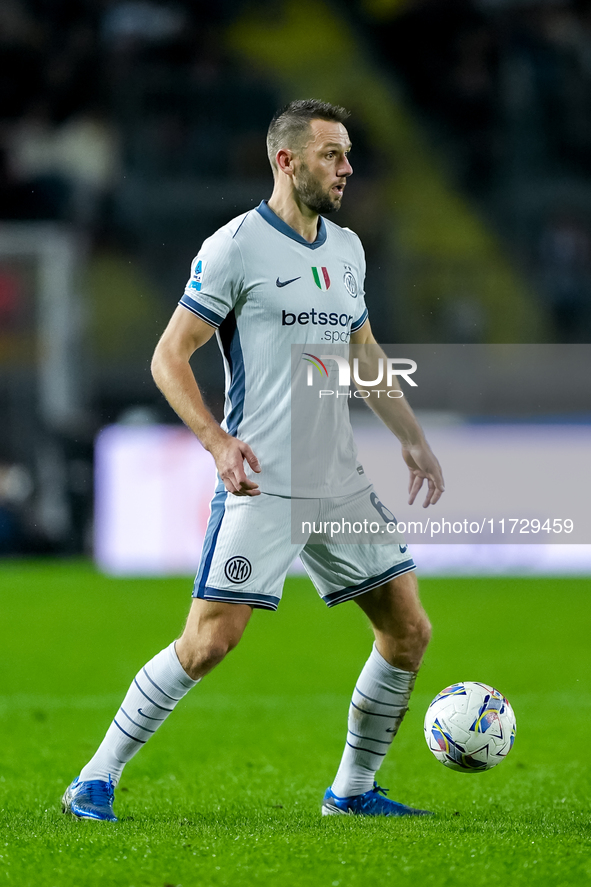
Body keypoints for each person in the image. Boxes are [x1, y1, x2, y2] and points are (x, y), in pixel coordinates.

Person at [62, 99, 444, 822]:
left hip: (337, 478)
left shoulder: (347, 248)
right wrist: (215, 440)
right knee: (208, 642)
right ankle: (94, 777)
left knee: (407, 629)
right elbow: (168, 356)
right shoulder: (235, 246)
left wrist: (409, 435)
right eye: (331, 154)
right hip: (263, 478)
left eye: (348, 152)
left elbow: (363, 352)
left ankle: (352, 790)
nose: (346, 167)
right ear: (286, 160)